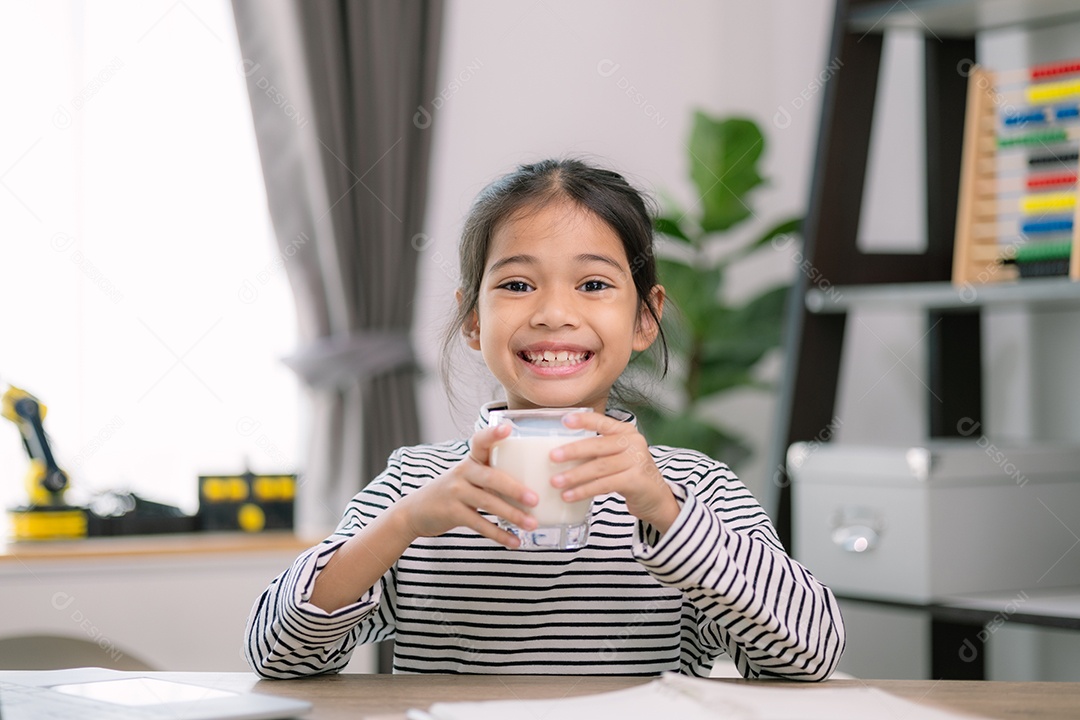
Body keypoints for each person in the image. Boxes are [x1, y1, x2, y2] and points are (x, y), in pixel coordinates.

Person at [245, 158, 845, 679]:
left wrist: (666, 512)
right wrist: (402, 525)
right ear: (474, 320)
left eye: (593, 283)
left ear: (644, 317)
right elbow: (278, 655)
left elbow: (811, 654)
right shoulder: (415, 485)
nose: (554, 313)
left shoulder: (695, 488)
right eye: (516, 284)